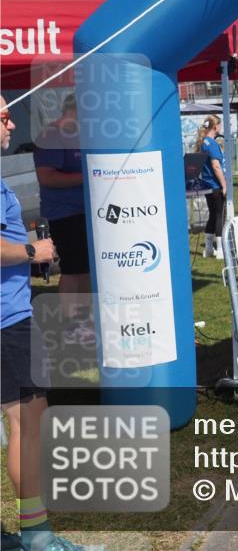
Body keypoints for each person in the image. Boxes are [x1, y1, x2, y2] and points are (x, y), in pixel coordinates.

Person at [2, 96, 89, 551]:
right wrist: (33, 252)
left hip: (11, 312)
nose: (12, 121)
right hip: (7, 319)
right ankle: (37, 536)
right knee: (29, 424)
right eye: (2, 116)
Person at [32, 94, 92, 342]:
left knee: (86, 268)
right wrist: (88, 177)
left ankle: (85, 320)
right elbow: (46, 177)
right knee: (73, 269)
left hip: (85, 212)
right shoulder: (52, 136)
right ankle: (71, 325)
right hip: (64, 213)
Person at [195, 115, 227, 258]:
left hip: (206, 184)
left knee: (213, 215)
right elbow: (216, 166)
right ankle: (220, 249)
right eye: (219, 125)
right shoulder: (212, 144)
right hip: (214, 184)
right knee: (220, 214)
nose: (220, 128)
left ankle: (208, 249)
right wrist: (224, 184)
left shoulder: (203, 142)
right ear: (215, 127)